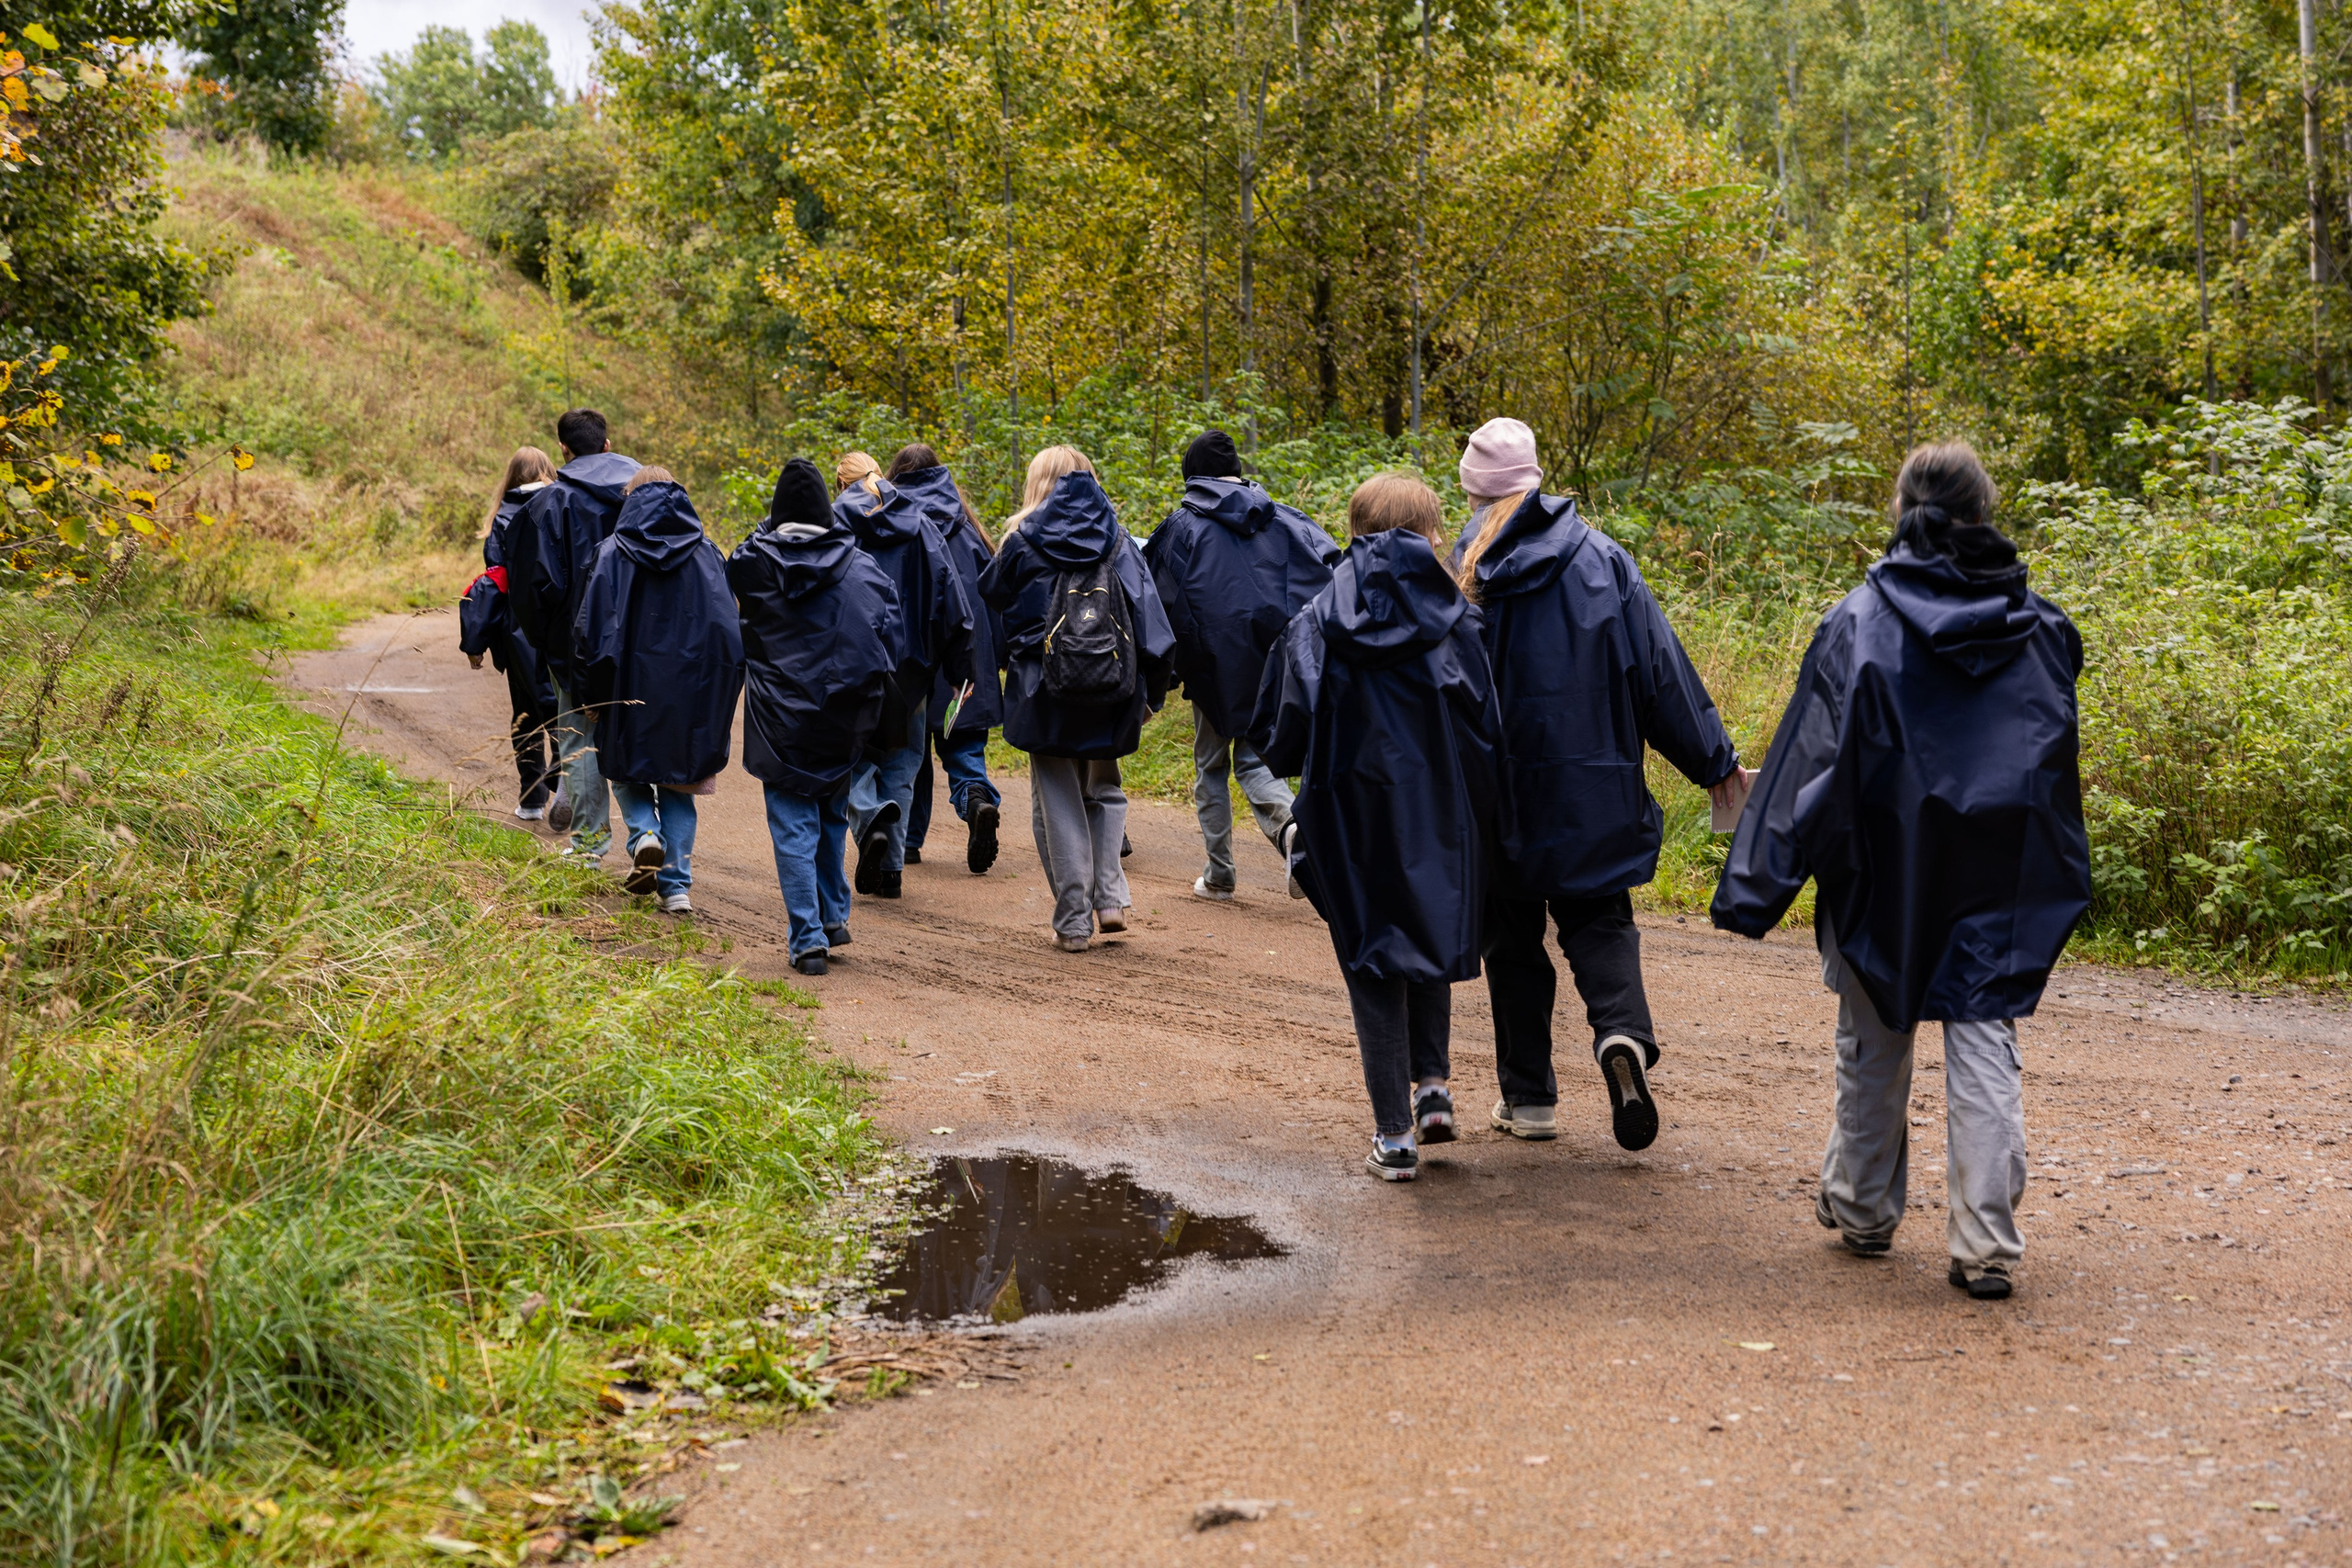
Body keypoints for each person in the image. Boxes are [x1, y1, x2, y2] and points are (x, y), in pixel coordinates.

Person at [1712, 442, 2089, 1302]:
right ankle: (1984, 1241)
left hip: (1880, 858)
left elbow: (1807, 756)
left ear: (1900, 511)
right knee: (1983, 1032)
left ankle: (1863, 1210)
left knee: (1874, 1031)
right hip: (1996, 867)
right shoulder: (2043, 626)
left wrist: (1757, 881)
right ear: (1985, 512)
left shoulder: (1858, 619)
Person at [1449, 416, 1749, 1153]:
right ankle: (1621, 1037)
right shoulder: (1603, 559)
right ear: (1537, 479)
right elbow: (1660, 675)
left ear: (1477, 493)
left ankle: (1530, 1100)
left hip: (1500, 796)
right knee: (1600, 920)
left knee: (1512, 939)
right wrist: (1715, 762)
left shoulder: (1461, 568)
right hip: (1595, 789)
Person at [1253, 472, 1501, 1182]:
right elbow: (1485, 730)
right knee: (1427, 932)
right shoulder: (1459, 621)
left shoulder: (1315, 619)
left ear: (1353, 533)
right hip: (1439, 814)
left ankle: (1394, 1135)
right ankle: (1434, 1088)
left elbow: (1282, 731)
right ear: (1432, 536)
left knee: (1370, 964)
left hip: (1347, 817)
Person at [978, 447, 1174, 953]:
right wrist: (1152, 689)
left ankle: (1072, 921)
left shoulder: (1020, 542)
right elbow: (1152, 619)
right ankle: (1109, 898)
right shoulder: (1119, 541)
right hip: (1111, 686)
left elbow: (990, 596)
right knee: (1105, 786)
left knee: (1058, 796)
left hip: (1041, 690)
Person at [1144, 428, 1340, 902]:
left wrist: (1161, 677)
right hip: (1279, 666)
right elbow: (1332, 569)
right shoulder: (1287, 519)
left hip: (1212, 669)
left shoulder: (1180, 527)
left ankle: (1220, 875)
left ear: (1193, 476)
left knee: (1210, 767)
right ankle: (1292, 831)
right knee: (1257, 761)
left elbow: (1155, 601)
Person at [730, 458, 904, 976]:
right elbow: (888, 636)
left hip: (779, 718)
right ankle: (832, 917)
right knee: (830, 817)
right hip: (843, 716)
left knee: (791, 826)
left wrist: (766, 530)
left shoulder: (754, 563)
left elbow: (735, 570)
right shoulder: (862, 568)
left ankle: (807, 939)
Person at [571, 468, 744, 914]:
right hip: (692, 695)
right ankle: (676, 888)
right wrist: (722, 694)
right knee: (679, 785)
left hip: (627, 689)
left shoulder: (610, 553)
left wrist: (591, 695)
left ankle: (645, 834)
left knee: (627, 772)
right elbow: (729, 632)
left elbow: (590, 633)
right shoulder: (707, 554)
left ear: (630, 499)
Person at [832, 452, 975, 898]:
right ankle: (891, 870)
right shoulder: (919, 522)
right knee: (904, 762)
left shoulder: (834, 524)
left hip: (850, 664)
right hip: (911, 669)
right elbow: (950, 599)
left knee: (850, 759)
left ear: (841, 484)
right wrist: (959, 670)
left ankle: (868, 815)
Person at [504, 409, 641, 860]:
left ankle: (589, 843)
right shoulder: (642, 495)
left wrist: (548, 642)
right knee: (633, 734)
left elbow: (531, 590)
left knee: (579, 739)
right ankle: (647, 836)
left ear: (562, 449)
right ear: (607, 444)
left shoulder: (547, 505)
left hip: (573, 647)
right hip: (640, 642)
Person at [886, 444, 1006, 875]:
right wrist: (1000, 658)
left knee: (909, 759)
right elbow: (994, 600)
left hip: (910, 664)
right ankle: (976, 800)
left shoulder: (891, 523)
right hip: (967, 666)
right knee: (964, 751)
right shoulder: (968, 528)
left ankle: (908, 842)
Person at [458, 446, 560, 820]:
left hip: (517, 632)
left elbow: (492, 583)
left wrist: (475, 642)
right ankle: (564, 777)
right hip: (562, 624)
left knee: (527, 713)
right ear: (549, 470)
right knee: (563, 707)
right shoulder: (562, 507)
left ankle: (532, 799)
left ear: (511, 477)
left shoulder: (503, 517)